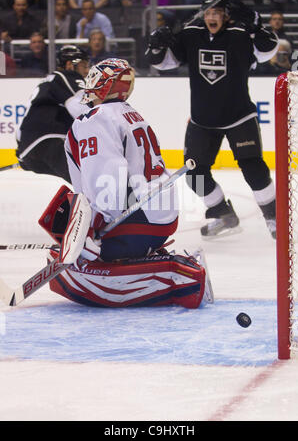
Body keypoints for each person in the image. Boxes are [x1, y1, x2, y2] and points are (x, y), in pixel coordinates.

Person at [38, 58, 206, 309]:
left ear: (106, 84)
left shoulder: (94, 119)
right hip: (162, 221)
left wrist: (92, 227)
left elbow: (108, 176)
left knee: (72, 250)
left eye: (95, 79)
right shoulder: (130, 113)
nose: (89, 85)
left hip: (137, 222)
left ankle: (166, 274)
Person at [145, 0, 279, 239]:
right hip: (202, 120)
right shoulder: (191, 33)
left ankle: (274, 217)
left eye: (216, 12)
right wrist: (156, 45)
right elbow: (163, 63)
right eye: (207, 12)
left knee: (253, 169)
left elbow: (267, 51)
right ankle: (222, 214)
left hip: (239, 116)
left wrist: (255, 27)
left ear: (226, 14)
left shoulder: (241, 32)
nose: (211, 17)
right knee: (194, 175)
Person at [16, 45, 90, 182]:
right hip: (51, 141)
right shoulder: (67, 76)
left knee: (72, 186)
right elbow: (81, 109)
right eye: (83, 66)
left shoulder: (45, 83)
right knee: (87, 183)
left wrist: (21, 153)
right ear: (69, 65)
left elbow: (21, 127)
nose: (86, 71)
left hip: (27, 151)